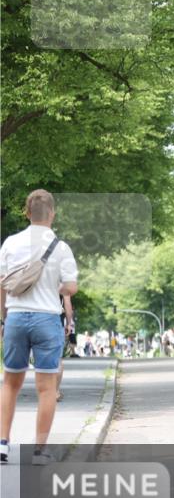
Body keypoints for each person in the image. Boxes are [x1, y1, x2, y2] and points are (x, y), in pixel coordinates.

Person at [0, 189, 79, 466]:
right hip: (47, 319)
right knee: (46, 388)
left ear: (26, 212)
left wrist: (3, 319)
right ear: (53, 214)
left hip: (17, 318)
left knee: (10, 383)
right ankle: (39, 451)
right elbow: (71, 287)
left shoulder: (10, 242)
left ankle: (2, 445)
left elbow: (2, 284)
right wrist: (54, 285)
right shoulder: (61, 247)